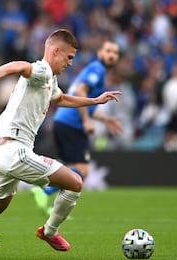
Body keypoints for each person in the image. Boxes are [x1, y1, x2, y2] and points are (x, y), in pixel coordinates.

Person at [0, 29, 121, 257]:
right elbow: (20, 66)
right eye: (69, 57)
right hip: (16, 151)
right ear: (55, 51)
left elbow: (61, 99)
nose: (71, 63)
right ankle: (50, 231)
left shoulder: (50, 79)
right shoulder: (42, 70)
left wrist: (94, 100)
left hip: (3, 151)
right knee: (75, 182)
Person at [31, 40, 122, 215]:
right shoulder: (97, 69)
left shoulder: (95, 70)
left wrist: (104, 119)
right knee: (82, 170)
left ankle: (51, 204)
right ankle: (44, 191)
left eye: (115, 53)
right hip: (71, 124)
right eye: (108, 50)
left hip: (64, 121)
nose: (112, 55)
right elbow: (80, 92)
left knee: (75, 169)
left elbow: (83, 101)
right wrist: (87, 121)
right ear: (100, 53)